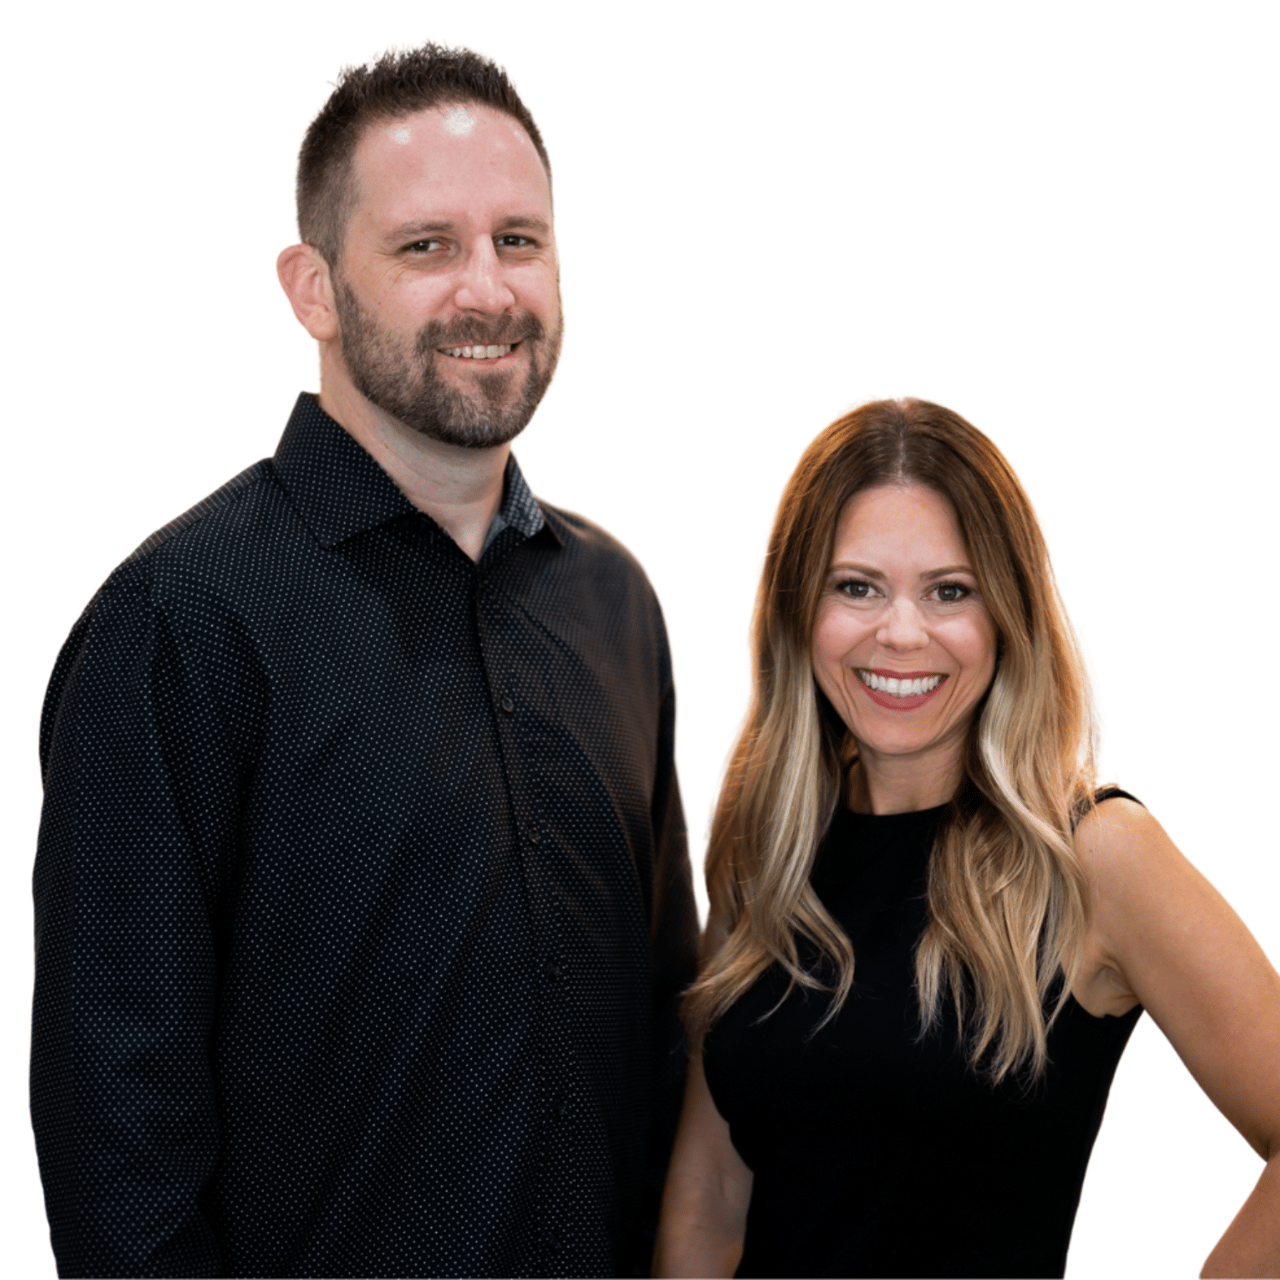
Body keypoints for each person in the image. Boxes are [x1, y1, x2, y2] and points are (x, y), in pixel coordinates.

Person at [31, 44, 697, 1279]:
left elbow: (667, 1031)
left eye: (518, 240)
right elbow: (119, 1148)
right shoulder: (180, 623)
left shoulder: (613, 601)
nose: (486, 289)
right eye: (425, 246)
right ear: (314, 288)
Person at [653, 398, 1280, 1278]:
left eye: (950, 591)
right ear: (799, 610)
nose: (901, 632)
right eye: (856, 586)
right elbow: (713, 1192)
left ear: (1006, 616)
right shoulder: (769, 850)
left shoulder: (1095, 857)